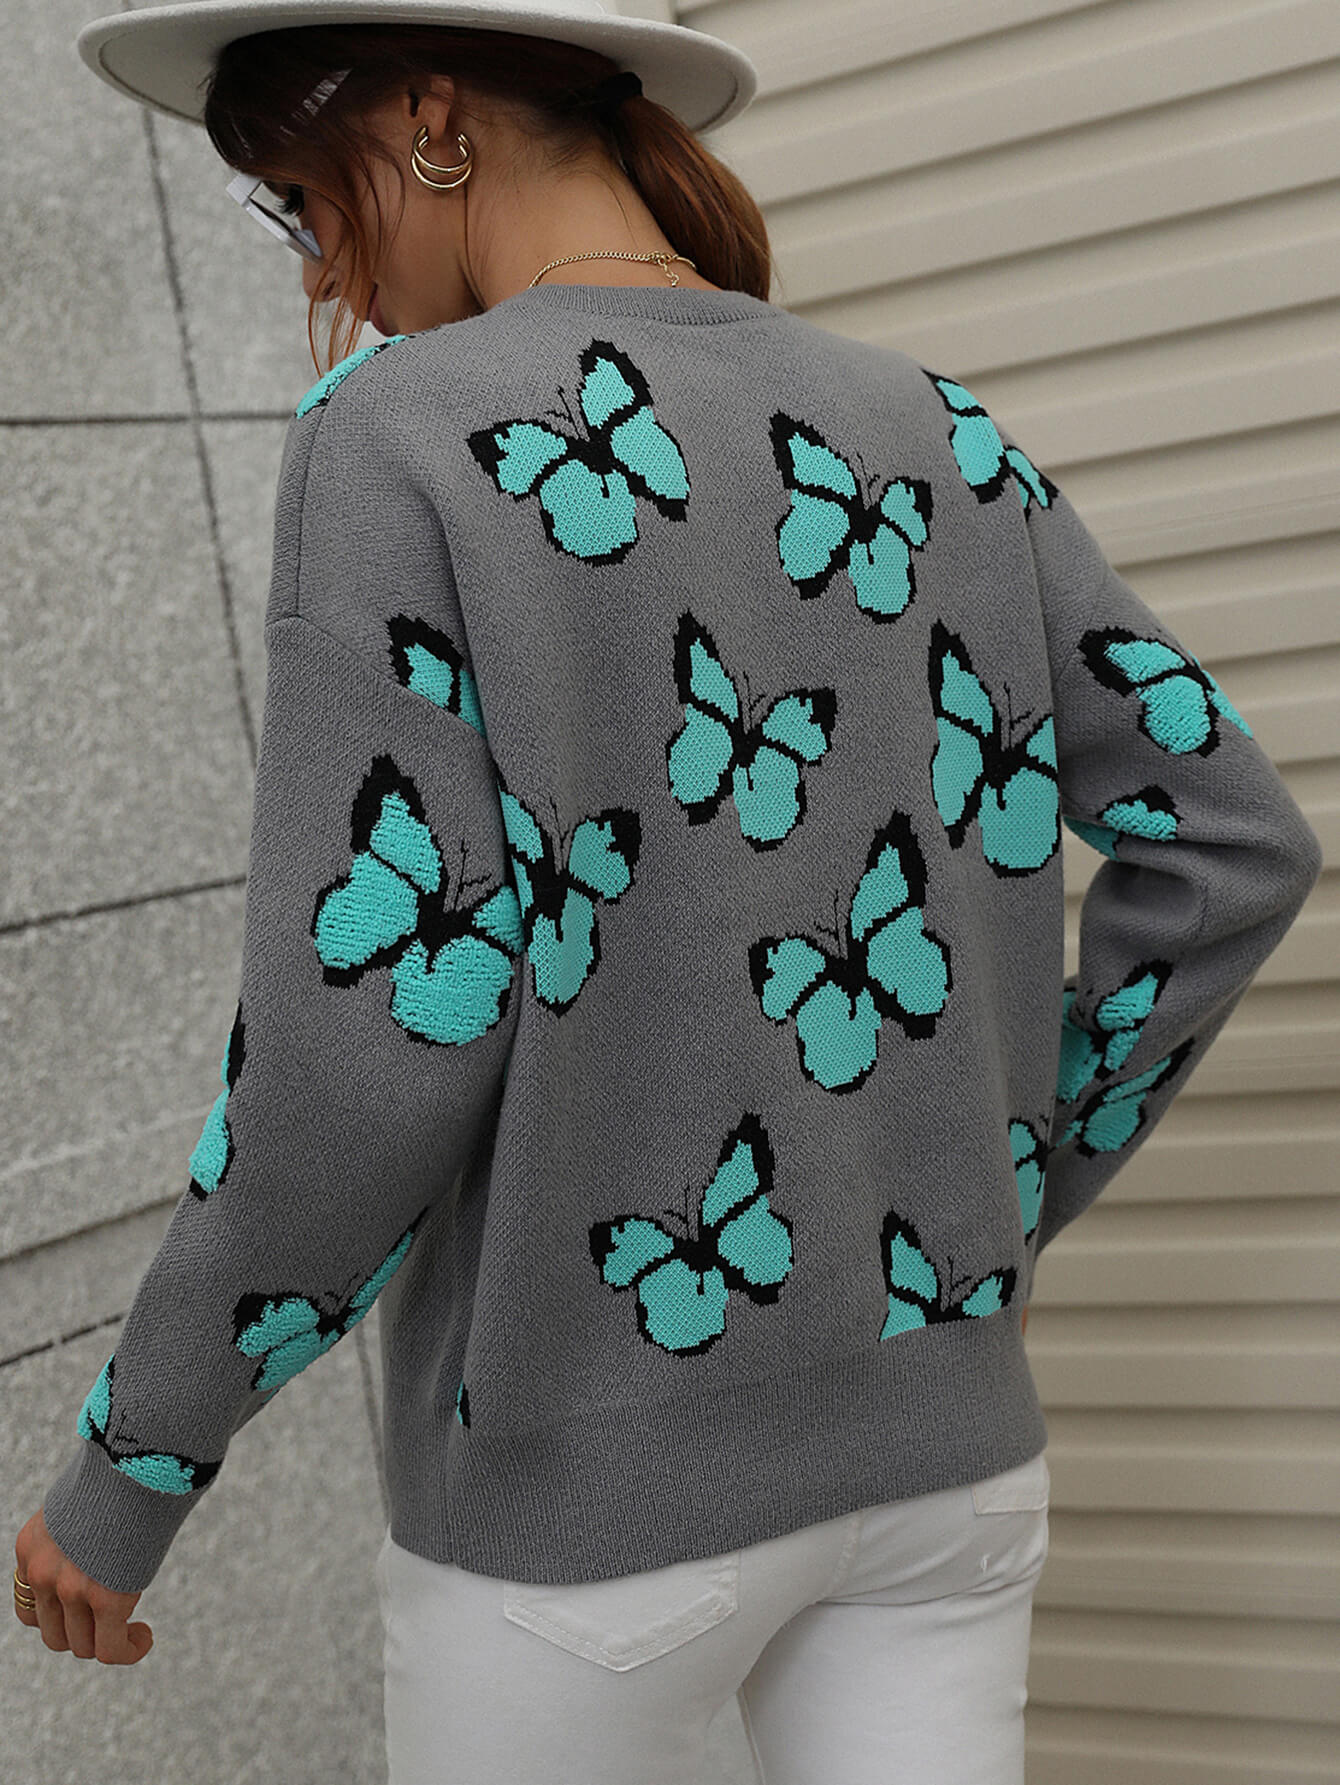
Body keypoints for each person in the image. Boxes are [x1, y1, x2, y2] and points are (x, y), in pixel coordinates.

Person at [15, 3, 1322, 1782]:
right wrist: (997, 1196)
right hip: (946, 1474)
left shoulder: (403, 435)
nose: (317, 266)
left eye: (302, 200)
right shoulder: (932, 426)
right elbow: (1235, 842)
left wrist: (137, 1455)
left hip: (583, 1501)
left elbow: (369, 1047)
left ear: (430, 114)